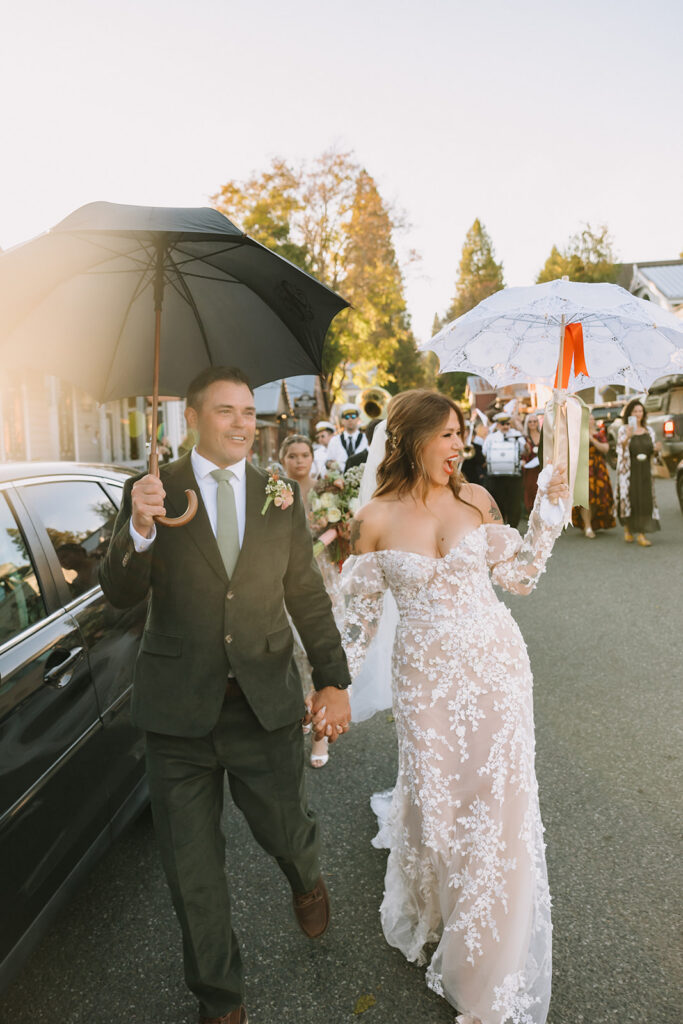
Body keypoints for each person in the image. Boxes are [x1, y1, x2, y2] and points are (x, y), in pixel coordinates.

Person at [99, 366, 351, 1024]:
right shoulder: (153, 489)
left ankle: (304, 877)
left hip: (262, 701)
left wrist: (332, 679)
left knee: (285, 831)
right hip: (176, 712)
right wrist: (141, 530)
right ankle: (220, 998)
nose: (242, 422)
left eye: (248, 412)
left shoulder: (278, 492)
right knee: (191, 871)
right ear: (191, 419)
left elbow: (305, 595)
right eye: (225, 411)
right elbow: (119, 593)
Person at [341, 389, 568, 1024]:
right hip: (424, 684)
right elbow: (354, 623)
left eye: (459, 433)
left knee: (498, 806)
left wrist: (547, 513)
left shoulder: (478, 500)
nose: (457, 445)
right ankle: (437, 905)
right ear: (410, 440)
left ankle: (488, 951)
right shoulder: (375, 518)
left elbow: (518, 577)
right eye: (444, 434)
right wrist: (328, 689)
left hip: (496, 670)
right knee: (441, 803)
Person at [279, 433, 339, 769]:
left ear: (311, 458)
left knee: (318, 649)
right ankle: (302, 711)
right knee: (293, 651)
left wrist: (329, 535)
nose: (299, 461)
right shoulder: (275, 491)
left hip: (323, 576)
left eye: (304, 455)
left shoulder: (329, 490)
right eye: (293, 456)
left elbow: (343, 528)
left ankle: (320, 732)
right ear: (283, 458)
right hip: (285, 578)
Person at [614, 398, 661, 546]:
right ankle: (628, 529)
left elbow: (653, 452)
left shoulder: (649, 430)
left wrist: (656, 450)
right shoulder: (623, 429)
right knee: (630, 498)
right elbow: (619, 451)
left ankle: (641, 533)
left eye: (640, 411)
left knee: (645, 500)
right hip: (629, 471)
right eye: (635, 411)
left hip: (645, 469)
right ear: (629, 413)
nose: (638, 414)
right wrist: (628, 436)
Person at [571, 414, 616, 538]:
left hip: (598, 468)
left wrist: (592, 439)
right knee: (586, 499)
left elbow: (605, 449)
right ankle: (587, 526)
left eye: (592, 418)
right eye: (588, 418)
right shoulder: (578, 434)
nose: (591, 420)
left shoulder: (599, 434)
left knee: (598, 498)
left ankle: (591, 522)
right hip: (584, 468)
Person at [481, 412, 526, 527]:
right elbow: (485, 452)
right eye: (502, 424)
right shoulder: (491, 437)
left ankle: (513, 528)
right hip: (496, 477)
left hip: (513, 477)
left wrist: (521, 432)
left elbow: (525, 450)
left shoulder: (516, 435)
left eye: (507, 423)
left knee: (514, 504)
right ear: (497, 425)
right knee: (498, 503)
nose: (505, 426)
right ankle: (500, 527)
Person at [325, 403, 369, 468]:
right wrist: (331, 465)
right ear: (342, 421)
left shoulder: (366, 439)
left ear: (358, 419)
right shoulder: (335, 441)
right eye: (346, 417)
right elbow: (328, 461)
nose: (350, 419)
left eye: (353, 416)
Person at [521, 412, 542, 513]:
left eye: (535, 421)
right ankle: (531, 512)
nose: (532, 423)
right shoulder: (525, 438)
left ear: (538, 423)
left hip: (542, 467)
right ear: (527, 424)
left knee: (542, 489)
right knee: (530, 489)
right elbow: (522, 454)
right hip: (530, 468)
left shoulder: (543, 436)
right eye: (530, 422)